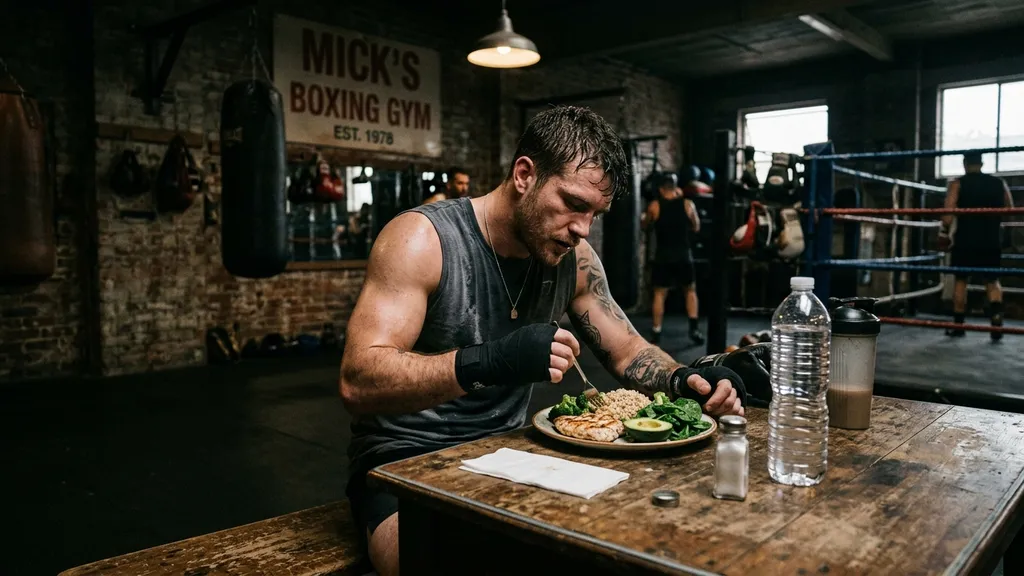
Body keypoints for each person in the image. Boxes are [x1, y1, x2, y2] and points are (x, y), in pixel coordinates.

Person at [340, 106, 747, 576]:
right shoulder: (422, 239)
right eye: (574, 204)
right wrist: (487, 362)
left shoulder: (576, 259)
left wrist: (685, 378)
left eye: (595, 213)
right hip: (404, 466)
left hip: (513, 454)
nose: (582, 229)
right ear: (525, 175)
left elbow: (629, 350)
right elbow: (358, 381)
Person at [941, 152, 1013, 340]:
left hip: (965, 239)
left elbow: (948, 213)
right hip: (990, 239)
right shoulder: (999, 183)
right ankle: (996, 323)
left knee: (961, 281)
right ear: (981, 163)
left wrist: (943, 232)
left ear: (965, 164)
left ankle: (958, 325)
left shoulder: (957, 183)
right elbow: (1009, 209)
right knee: (992, 281)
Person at [642, 172, 703, 345]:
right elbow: (697, 226)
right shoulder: (687, 204)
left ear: (661, 189)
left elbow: (644, 226)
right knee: (690, 291)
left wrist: (646, 218)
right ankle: (694, 329)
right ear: (675, 187)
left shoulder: (655, 206)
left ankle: (656, 332)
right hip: (684, 255)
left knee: (660, 293)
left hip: (663, 255)